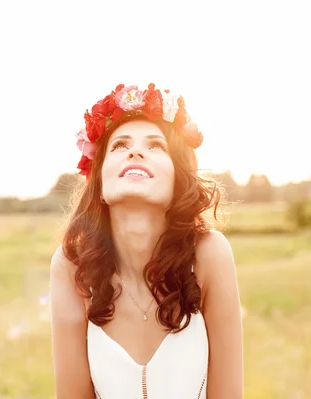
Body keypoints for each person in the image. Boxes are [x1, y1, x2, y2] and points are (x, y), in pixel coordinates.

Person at [50, 83, 243, 398]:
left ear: (176, 178)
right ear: (99, 180)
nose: (135, 151)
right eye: (119, 145)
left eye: (155, 146)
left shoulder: (209, 254)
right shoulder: (70, 266)